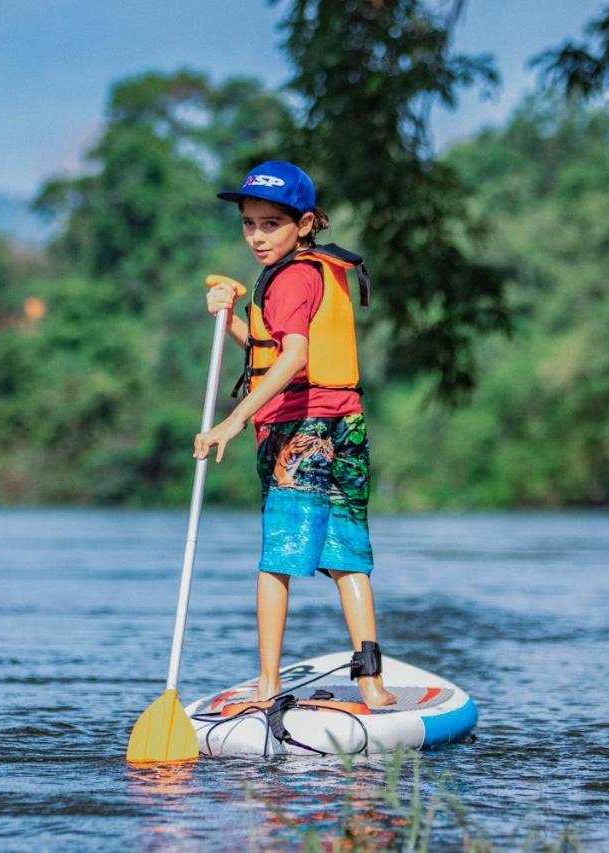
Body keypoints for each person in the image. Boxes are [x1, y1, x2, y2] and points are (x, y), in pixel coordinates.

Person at [193, 160, 396, 708]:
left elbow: (295, 359)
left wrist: (232, 420)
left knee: (278, 558)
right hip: (345, 423)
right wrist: (230, 318)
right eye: (249, 224)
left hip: (298, 430)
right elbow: (272, 354)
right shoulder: (316, 271)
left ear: (304, 223)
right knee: (347, 556)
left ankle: (267, 686)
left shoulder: (289, 279)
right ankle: (372, 684)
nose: (257, 237)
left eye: (270, 224)